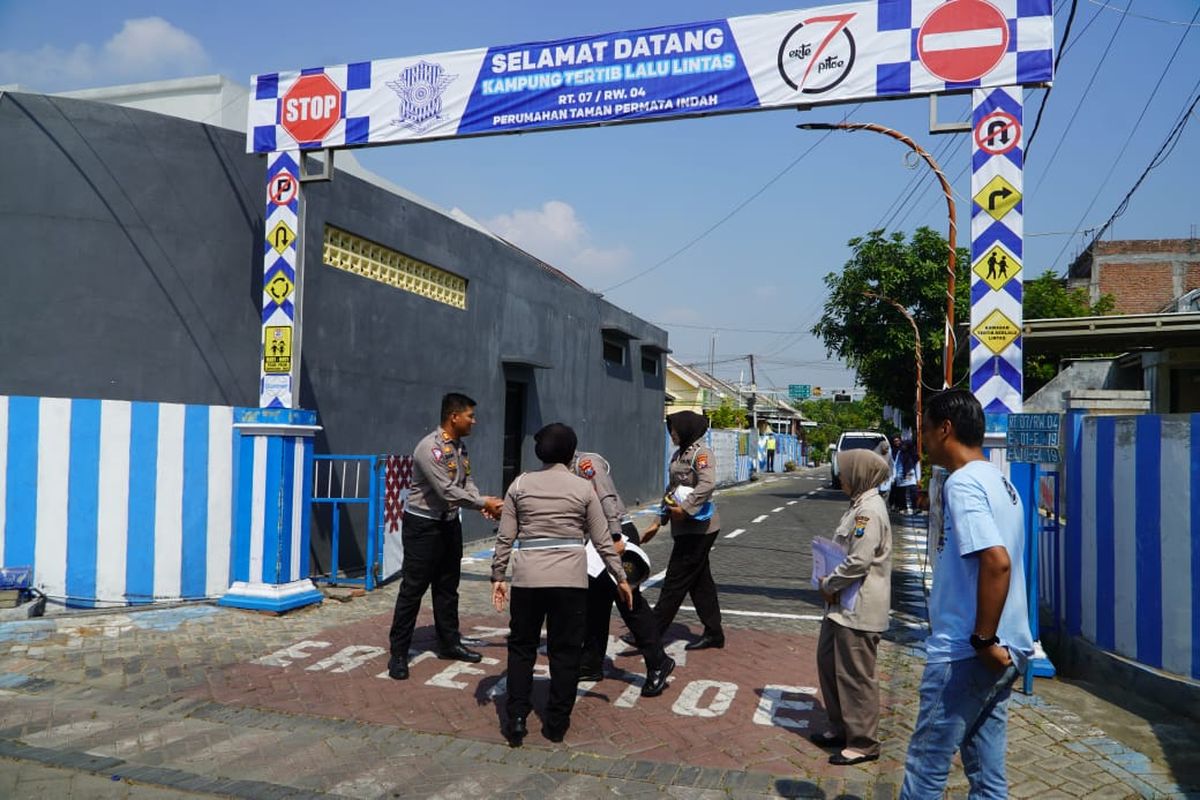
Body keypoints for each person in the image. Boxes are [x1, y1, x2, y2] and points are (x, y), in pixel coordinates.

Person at [900, 389, 1034, 799]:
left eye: (925, 430)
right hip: (1009, 651)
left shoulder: (963, 485)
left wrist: (982, 640)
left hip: (966, 653)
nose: (921, 439)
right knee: (987, 775)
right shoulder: (1000, 481)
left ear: (946, 429)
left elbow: (997, 562)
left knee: (925, 770)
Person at [491, 424, 634, 746]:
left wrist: (498, 576)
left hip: (528, 579)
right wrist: (620, 577)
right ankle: (556, 721)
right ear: (571, 452)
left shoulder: (520, 484)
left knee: (522, 647)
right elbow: (602, 541)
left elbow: (505, 537)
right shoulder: (583, 488)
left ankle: (515, 717)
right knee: (566, 650)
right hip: (569, 581)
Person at [387, 393, 503, 680]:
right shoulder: (430, 449)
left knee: (448, 589)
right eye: (470, 416)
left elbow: (466, 482)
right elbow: (446, 491)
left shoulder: (460, 447)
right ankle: (399, 654)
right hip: (424, 527)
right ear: (454, 417)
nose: (474, 421)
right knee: (413, 590)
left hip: (449, 524)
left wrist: (480, 503)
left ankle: (449, 643)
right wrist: (483, 503)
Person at [813, 449, 893, 766]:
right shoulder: (858, 506)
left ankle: (863, 742)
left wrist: (829, 584)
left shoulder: (868, 512)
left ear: (859, 473)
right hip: (842, 605)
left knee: (856, 675)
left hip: (857, 608)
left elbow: (859, 561)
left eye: (845, 471)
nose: (841, 477)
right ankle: (841, 727)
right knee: (829, 663)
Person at [572, 450, 674, 698]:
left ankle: (658, 661)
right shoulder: (560, 469)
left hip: (614, 534)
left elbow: (607, 498)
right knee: (594, 604)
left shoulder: (586, 463)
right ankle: (591, 663)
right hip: (596, 539)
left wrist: (616, 537)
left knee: (630, 604)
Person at [642, 410, 724, 651]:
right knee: (700, 584)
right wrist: (659, 520)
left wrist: (686, 509)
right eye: (670, 430)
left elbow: (708, 484)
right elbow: (672, 488)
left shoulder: (701, 454)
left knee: (674, 582)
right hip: (684, 528)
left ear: (687, 429)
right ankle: (714, 633)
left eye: (674, 430)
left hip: (701, 529)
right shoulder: (679, 455)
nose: (672, 434)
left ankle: (651, 634)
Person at [894, 439, 921, 515]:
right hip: (901, 474)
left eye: (905, 445)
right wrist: (895, 475)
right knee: (901, 493)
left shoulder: (914, 454)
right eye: (903, 445)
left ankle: (914, 508)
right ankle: (903, 508)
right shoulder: (900, 453)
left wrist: (918, 478)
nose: (903, 447)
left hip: (910, 475)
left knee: (913, 492)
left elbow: (917, 467)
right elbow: (896, 464)